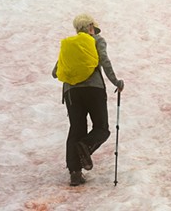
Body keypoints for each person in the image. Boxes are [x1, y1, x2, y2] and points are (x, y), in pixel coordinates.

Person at [52, 14, 125, 187]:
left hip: (71, 92)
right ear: (91, 27)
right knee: (101, 128)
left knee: (76, 129)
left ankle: (75, 173)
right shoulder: (96, 40)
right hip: (94, 90)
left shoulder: (70, 45)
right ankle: (84, 146)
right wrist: (116, 81)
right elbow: (105, 62)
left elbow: (55, 72)